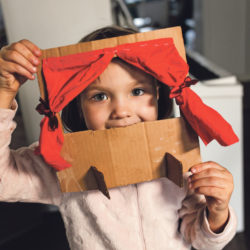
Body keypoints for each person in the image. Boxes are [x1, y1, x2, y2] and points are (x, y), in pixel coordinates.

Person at [0, 26, 237, 250]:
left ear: (156, 94)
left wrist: (217, 213)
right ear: (79, 105)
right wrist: (4, 92)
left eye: (137, 91)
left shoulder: (178, 155)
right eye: (100, 96)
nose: (122, 111)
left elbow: (199, 240)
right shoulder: (64, 162)